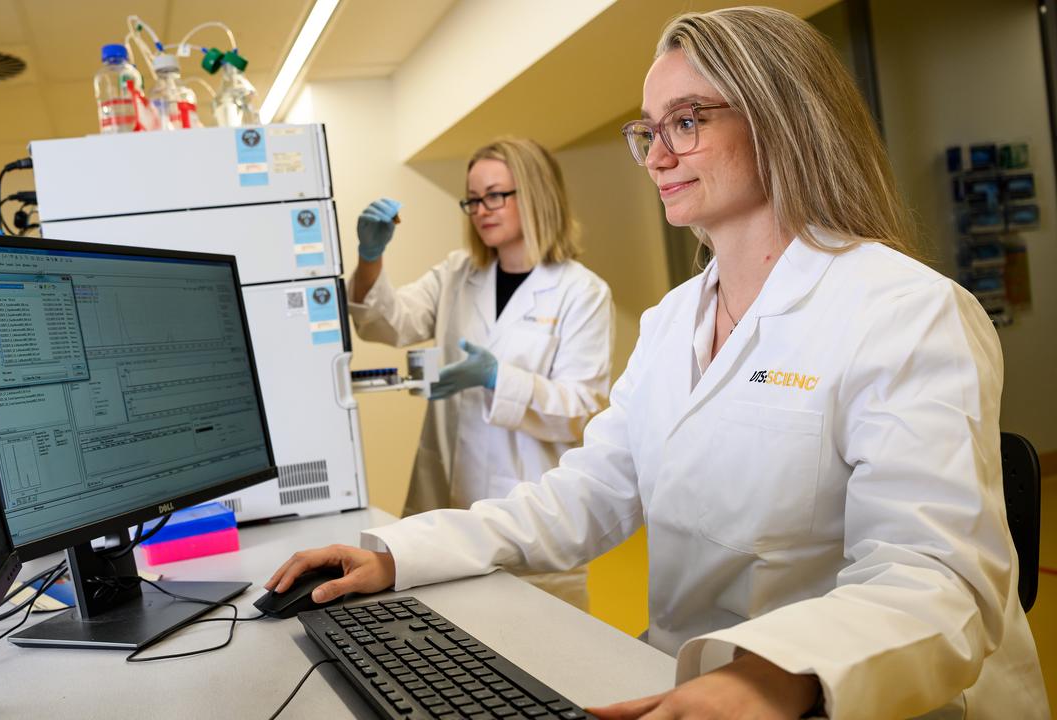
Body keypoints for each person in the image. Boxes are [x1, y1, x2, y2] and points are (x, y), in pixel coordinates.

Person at [268, 6, 1049, 719]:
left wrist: (769, 677)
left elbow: (938, 580)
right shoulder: (674, 319)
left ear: (781, 119)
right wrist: (398, 552)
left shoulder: (905, 311)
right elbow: (591, 491)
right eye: (649, 131)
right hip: (686, 679)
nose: (657, 156)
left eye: (687, 121)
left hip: (838, 697)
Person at [346, 137, 614, 610]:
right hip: (444, 510)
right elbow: (389, 322)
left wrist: (498, 379)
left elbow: (582, 411)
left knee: (542, 660)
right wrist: (370, 259)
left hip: (530, 522)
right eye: (473, 199)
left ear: (533, 193)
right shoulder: (458, 273)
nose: (481, 210)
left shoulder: (581, 291)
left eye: (495, 195)